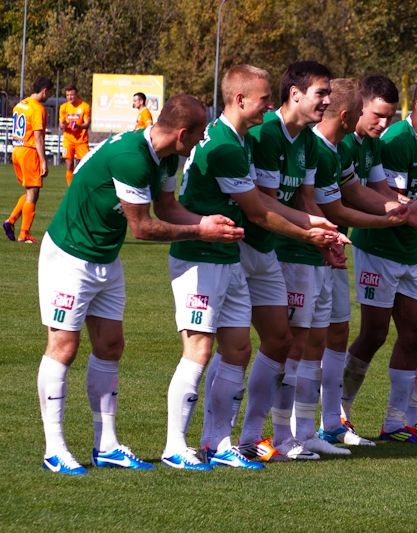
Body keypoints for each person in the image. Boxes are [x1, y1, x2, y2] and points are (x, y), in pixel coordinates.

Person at [36, 94, 244, 475]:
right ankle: (55, 448)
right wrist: (203, 231)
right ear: (182, 133)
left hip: (104, 255)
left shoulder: (166, 155)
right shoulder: (133, 158)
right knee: (63, 346)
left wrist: (209, 221)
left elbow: (166, 208)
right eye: (198, 134)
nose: (201, 141)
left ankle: (107, 444)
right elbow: (143, 227)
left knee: (111, 344)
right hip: (69, 254)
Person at [162, 65, 341, 470]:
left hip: (232, 253)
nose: (268, 104)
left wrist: (316, 225)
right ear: (240, 100)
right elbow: (259, 212)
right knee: (201, 349)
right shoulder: (232, 143)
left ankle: (221, 441)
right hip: (204, 255)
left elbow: (273, 206)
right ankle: (177, 445)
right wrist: (308, 233)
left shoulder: (240, 138)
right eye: (263, 98)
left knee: (245, 347)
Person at [286, 77, 413, 454]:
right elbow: (334, 209)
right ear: (347, 115)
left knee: (336, 335)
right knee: (295, 342)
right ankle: (286, 431)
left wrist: (406, 208)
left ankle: (327, 426)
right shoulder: (319, 149)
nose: (368, 123)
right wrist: (394, 219)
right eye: (363, 113)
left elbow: (357, 192)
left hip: (332, 251)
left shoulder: (338, 149)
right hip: (301, 253)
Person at [331, 75, 417, 439]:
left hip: (409, 250)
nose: (384, 123)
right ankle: (338, 414)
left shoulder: (374, 144)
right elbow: (360, 197)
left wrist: (414, 209)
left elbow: (379, 191)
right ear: (358, 109)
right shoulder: (349, 143)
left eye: (390, 116)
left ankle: (395, 421)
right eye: (378, 115)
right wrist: (407, 211)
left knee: (415, 330)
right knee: (374, 333)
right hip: (375, 248)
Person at [4, 77, 53, 244]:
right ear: (45, 90)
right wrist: (44, 160)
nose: (49, 96)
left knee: (29, 192)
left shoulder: (20, 105)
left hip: (16, 149)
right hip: (29, 151)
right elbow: (38, 138)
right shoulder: (37, 108)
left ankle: (10, 221)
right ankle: (24, 235)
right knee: (33, 193)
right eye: (50, 92)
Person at [59, 85, 91, 186]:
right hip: (68, 140)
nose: (69, 97)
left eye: (72, 95)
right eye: (67, 95)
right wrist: (64, 125)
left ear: (76, 94)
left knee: (84, 166)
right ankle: (70, 189)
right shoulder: (63, 107)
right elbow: (61, 124)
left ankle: (82, 186)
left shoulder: (84, 106)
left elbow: (87, 124)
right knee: (69, 165)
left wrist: (77, 125)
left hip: (81, 140)